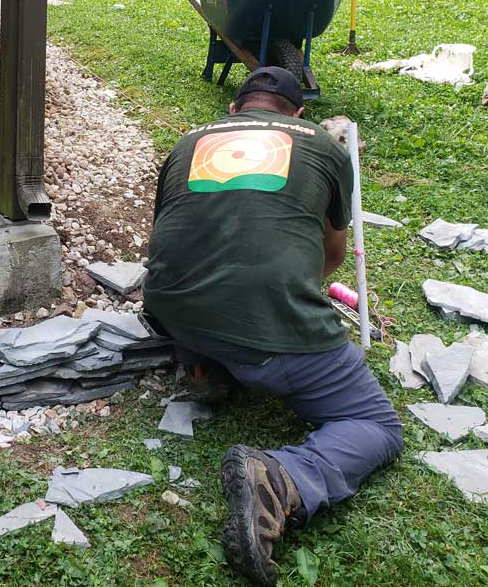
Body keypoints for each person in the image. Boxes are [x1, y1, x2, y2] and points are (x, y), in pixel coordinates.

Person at [143, 67, 402, 587]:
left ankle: (209, 364)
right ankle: (283, 479)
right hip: (267, 335)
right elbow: (329, 255)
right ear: (298, 114)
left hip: (171, 311)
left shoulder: (188, 141)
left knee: (214, 304)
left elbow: (171, 233)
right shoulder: (325, 146)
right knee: (378, 427)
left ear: (235, 111)